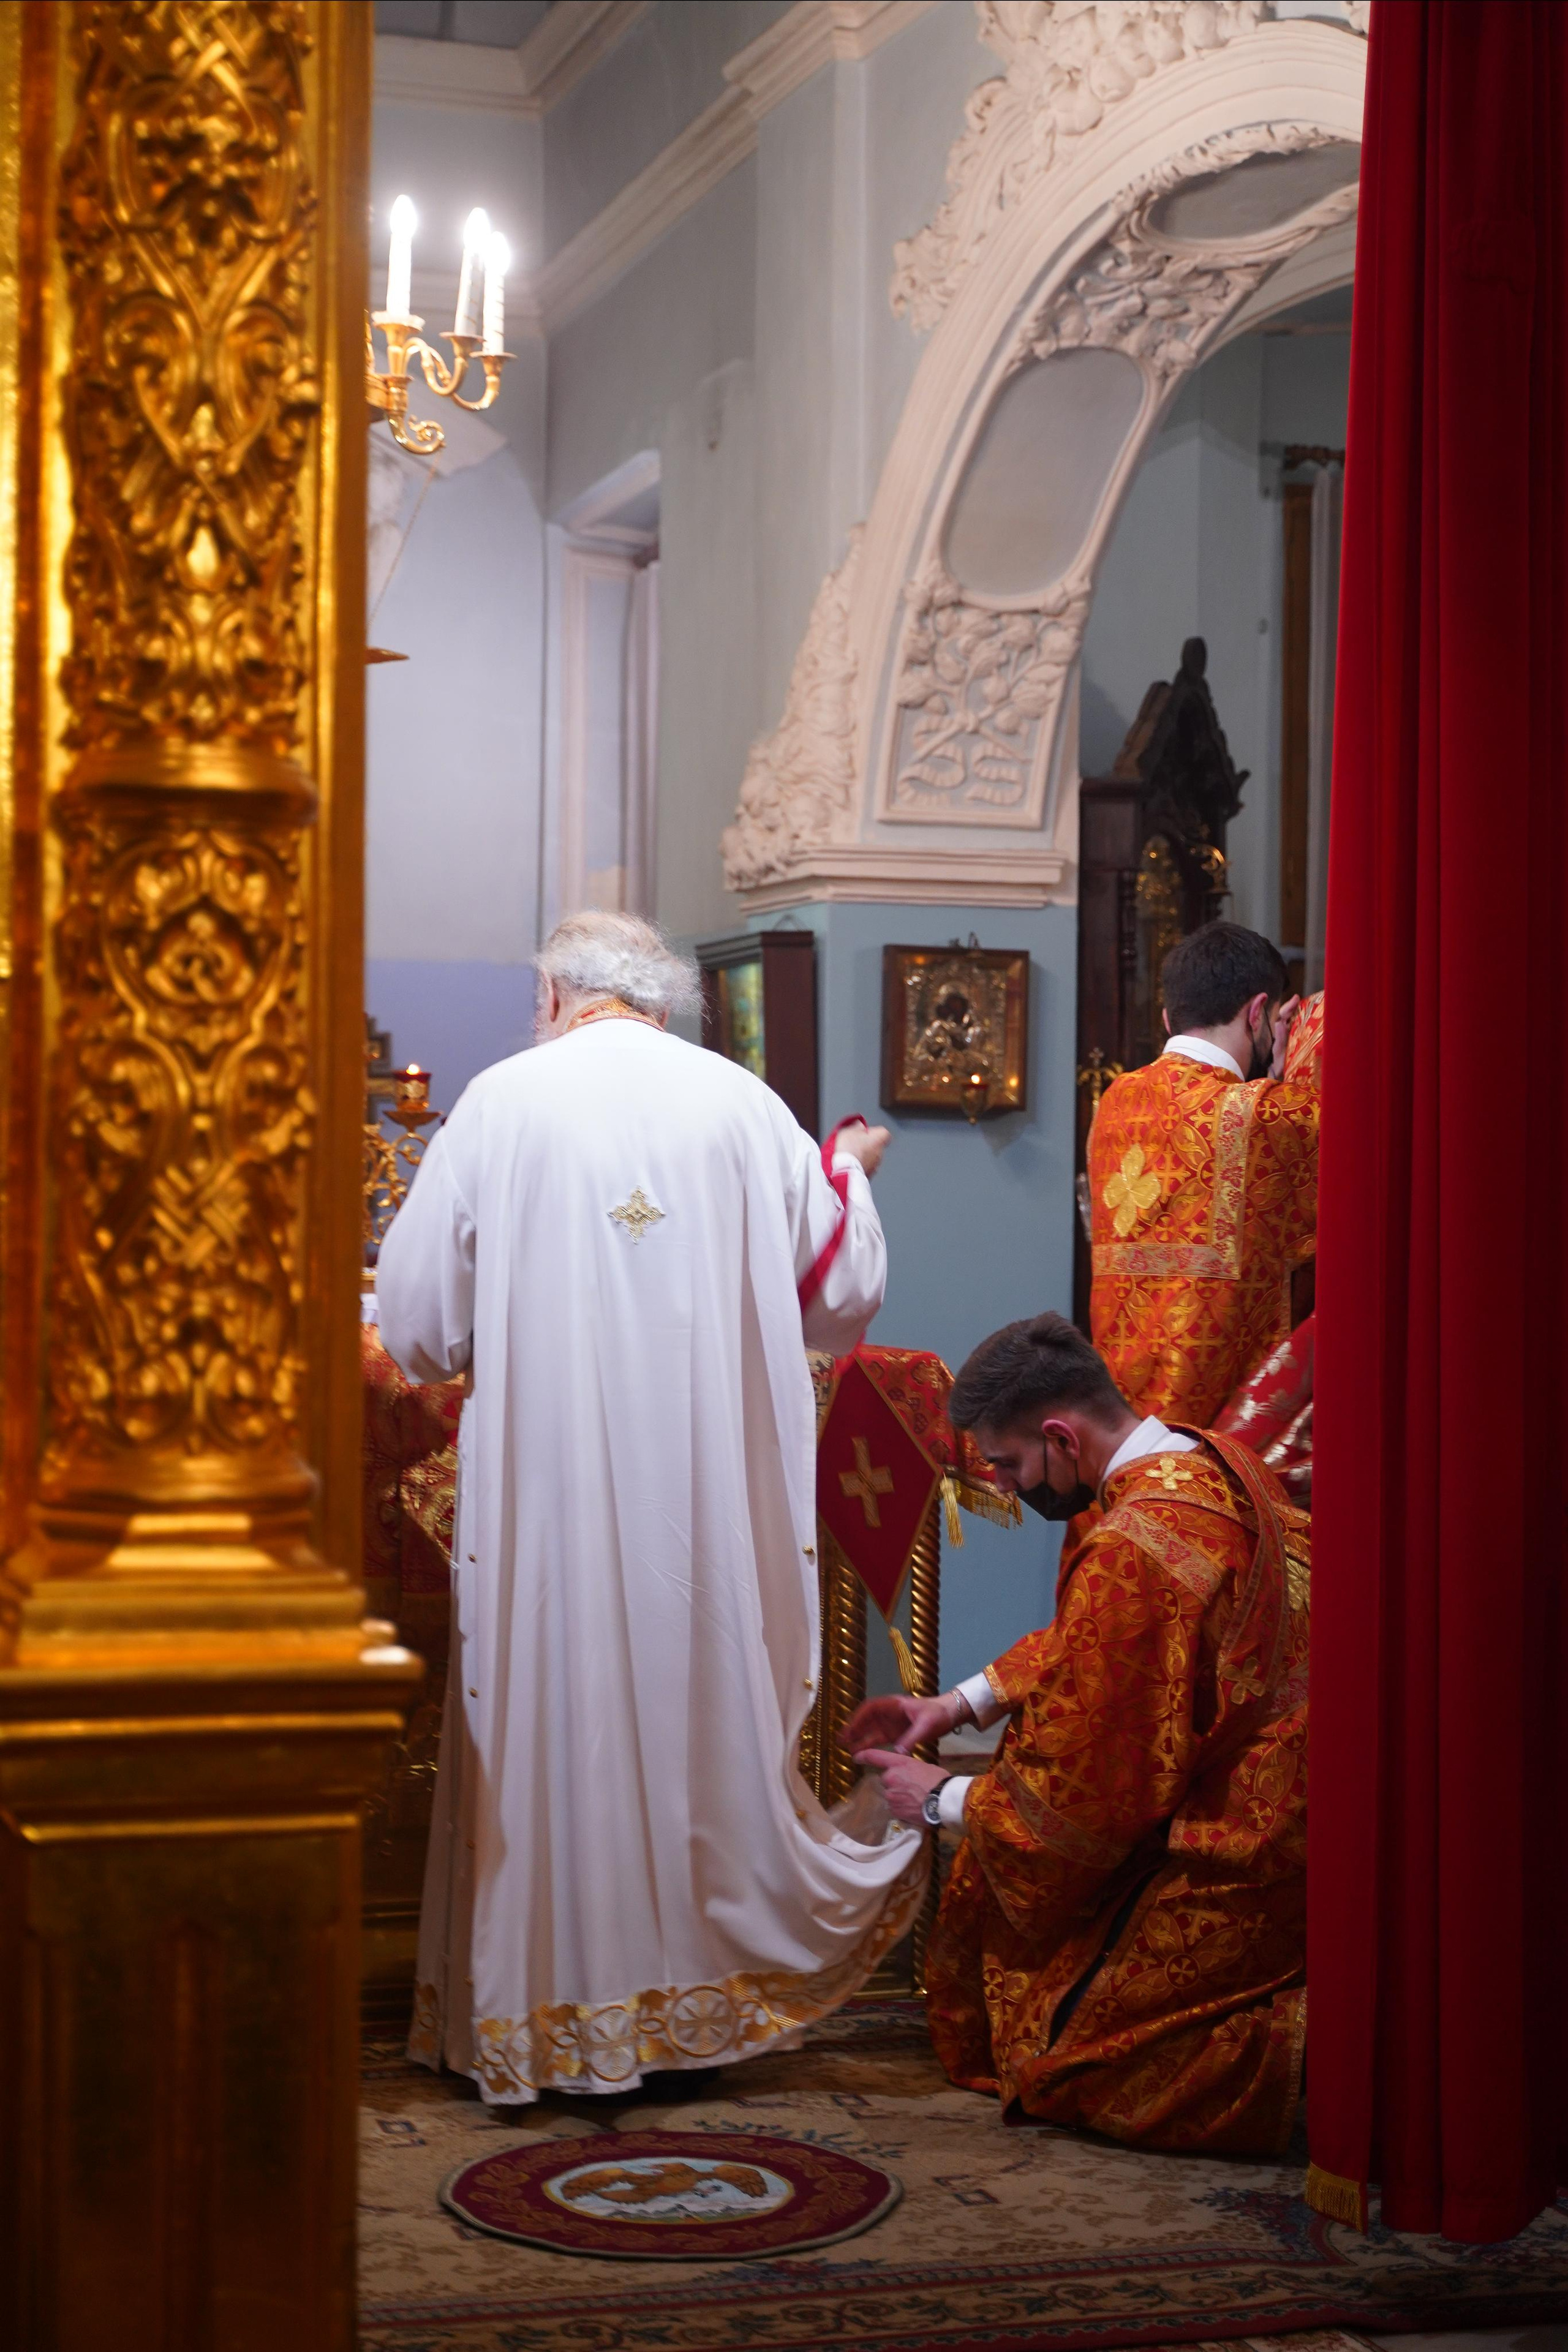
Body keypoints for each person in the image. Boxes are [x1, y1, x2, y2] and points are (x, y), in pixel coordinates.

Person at [377, 911, 925, 2105]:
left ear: (553, 996)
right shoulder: (740, 1106)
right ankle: (690, 2017)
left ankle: (544, 2022)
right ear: (665, 1003)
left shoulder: (503, 1103)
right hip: (703, 1502)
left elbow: (416, 1326)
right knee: (693, 1713)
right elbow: (841, 1292)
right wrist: (846, 1168)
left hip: (549, 1499)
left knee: (554, 1714)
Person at [848, 1312, 1307, 2156]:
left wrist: (945, 1799)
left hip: (1238, 1848)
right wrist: (957, 1705)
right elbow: (1104, 1649)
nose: (1008, 1485)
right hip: (1297, 1806)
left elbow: (1086, 1801)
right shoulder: (1213, 1461)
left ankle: (1329, 2065)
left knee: (1065, 2056)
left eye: (1008, 1464)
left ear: (1060, 1437)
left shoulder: (1135, 1547)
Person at [1088, 921, 1317, 1427]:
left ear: (1168, 1017)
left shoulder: (1114, 1103)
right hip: (1211, 1439)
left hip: (1119, 1428)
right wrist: (1292, 1068)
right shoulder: (1262, 1116)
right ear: (1258, 1012)